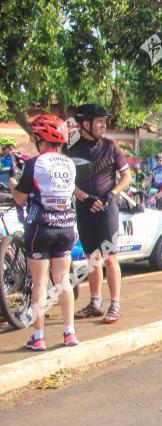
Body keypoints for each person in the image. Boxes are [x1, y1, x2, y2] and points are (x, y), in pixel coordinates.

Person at [12, 115, 79, 350]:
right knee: (63, 281)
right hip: (66, 227)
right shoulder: (69, 164)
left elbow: (20, 198)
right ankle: (69, 333)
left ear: (41, 139)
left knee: (40, 283)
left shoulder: (35, 163)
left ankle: (38, 336)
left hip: (41, 228)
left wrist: (13, 184)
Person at [64, 103, 131, 324]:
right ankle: (95, 303)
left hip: (107, 209)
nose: (104, 125)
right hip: (84, 208)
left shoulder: (111, 147)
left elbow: (126, 177)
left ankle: (115, 305)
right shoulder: (70, 149)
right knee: (92, 258)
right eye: (99, 121)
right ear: (85, 124)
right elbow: (67, 182)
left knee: (110, 259)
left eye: (105, 121)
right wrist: (85, 198)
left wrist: (112, 193)